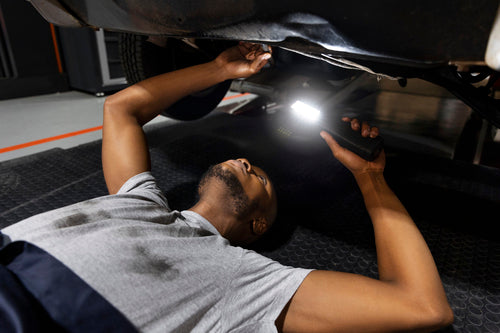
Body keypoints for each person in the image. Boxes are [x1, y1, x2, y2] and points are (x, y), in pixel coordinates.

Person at [0, 42, 453, 332]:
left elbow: (421, 307)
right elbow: (121, 108)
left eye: (261, 178)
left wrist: (370, 178)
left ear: (258, 225)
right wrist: (218, 68)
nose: (244, 160)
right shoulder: (139, 199)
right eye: (247, 161)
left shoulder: (243, 281)